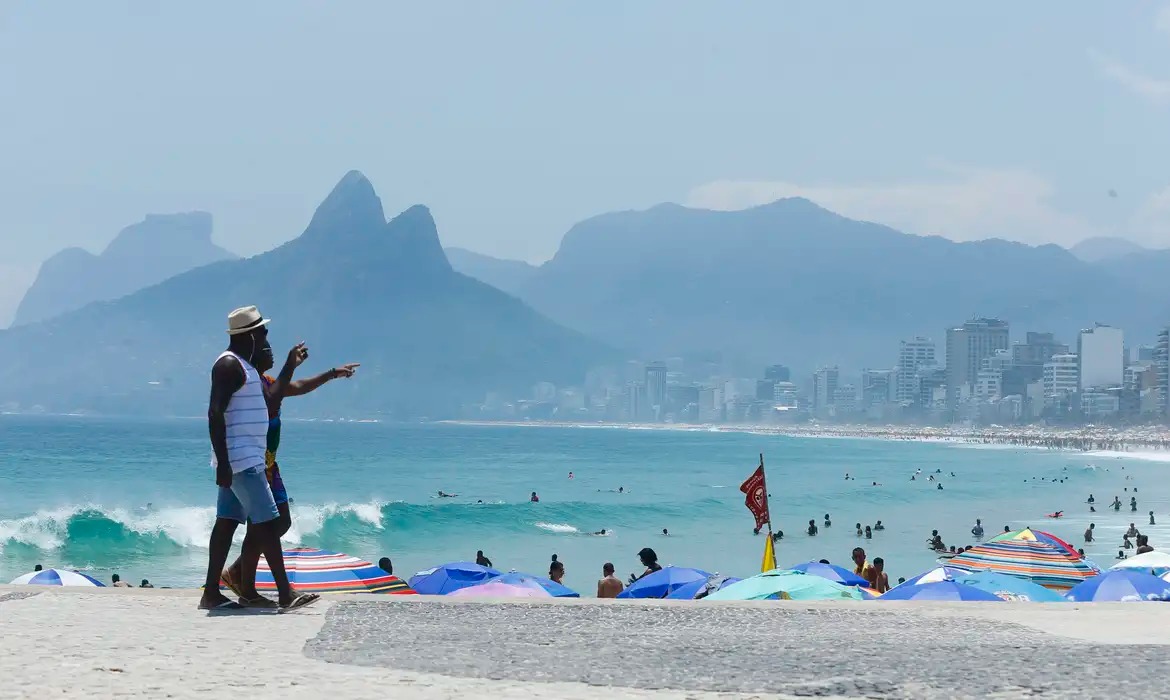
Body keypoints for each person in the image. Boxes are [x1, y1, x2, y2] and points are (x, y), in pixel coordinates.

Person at [221, 334, 359, 603]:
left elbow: (297, 386)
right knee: (268, 525)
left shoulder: (270, 382)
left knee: (276, 522)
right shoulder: (252, 386)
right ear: (254, 355)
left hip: (270, 465)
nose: (271, 353)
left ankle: (239, 574)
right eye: (266, 349)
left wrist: (331, 373)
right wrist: (290, 365)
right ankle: (248, 584)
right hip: (255, 465)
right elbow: (272, 400)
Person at [198, 306, 317, 612]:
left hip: (244, 459)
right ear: (249, 335)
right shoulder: (227, 365)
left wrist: (291, 366)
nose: (265, 336)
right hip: (241, 461)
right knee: (268, 522)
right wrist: (223, 462)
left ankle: (211, 592)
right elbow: (215, 413)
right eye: (262, 331)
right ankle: (285, 593)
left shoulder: (246, 368)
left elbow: (271, 398)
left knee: (226, 524)